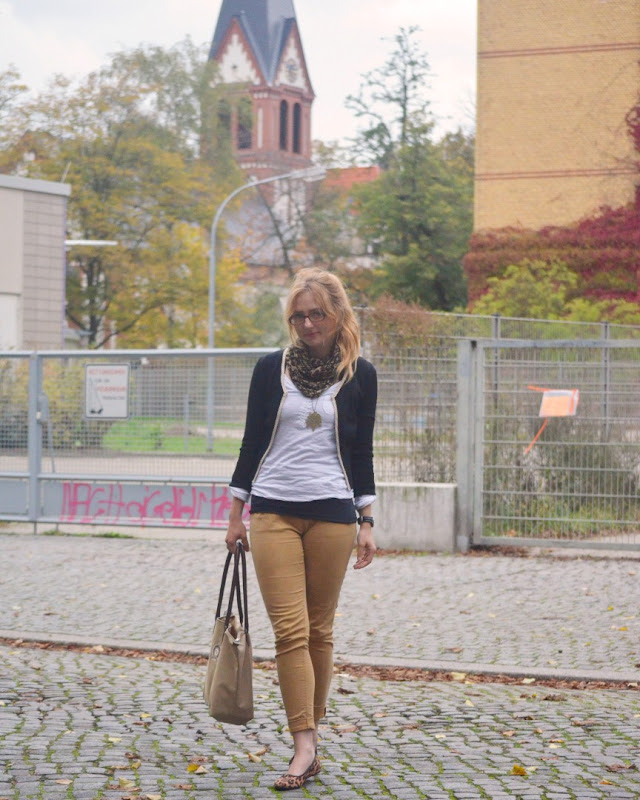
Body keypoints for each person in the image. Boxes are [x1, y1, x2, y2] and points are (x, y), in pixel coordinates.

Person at [225, 267, 377, 791]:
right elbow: (251, 441)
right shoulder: (271, 369)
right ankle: (304, 745)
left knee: (319, 631)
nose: (308, 324)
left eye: (317, 314)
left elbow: (362, 451)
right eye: (299, 316)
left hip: (334, 513)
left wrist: (367, 520)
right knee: (290, 631)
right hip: (273, 512)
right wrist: (236, 515)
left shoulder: (360, 375)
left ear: (338, 314)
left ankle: (310, 732)